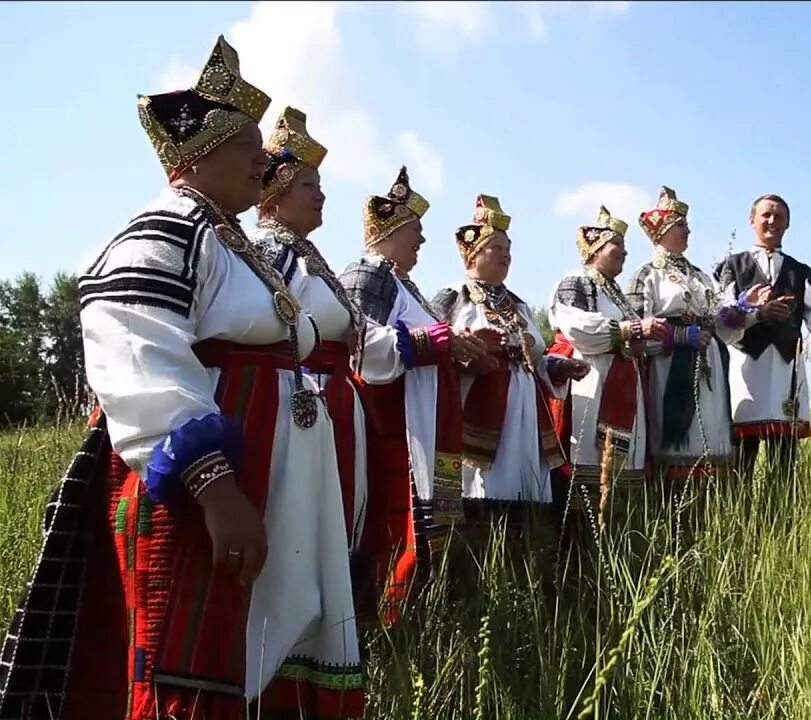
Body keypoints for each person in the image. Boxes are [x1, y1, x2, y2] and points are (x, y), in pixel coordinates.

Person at [0, 37, 365, 720]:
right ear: (199, 156)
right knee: (195, 662)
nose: (264, 160)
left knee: (254, 656)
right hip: (208, 496)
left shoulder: (227, 239)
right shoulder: (166, 227)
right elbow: (134, 343)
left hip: (267, 483)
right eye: (248, 148)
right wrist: (214, 484)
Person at [337, 166, 487, 623]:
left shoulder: (405, 285)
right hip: (394, 432)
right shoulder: (367, 275)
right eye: (416, 231)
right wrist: (439, 341)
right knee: (395, 531)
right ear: (392, 229)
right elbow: (360, 346)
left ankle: (424, 623)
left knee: (436, 533)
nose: (422, 241)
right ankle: (389, 626)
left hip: (429, 430)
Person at [248, 106, 372, 555]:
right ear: (277, 190)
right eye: (309, 186)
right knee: (303, 528)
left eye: (321, 186)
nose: (321, 197)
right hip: (299, 400)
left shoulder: (305, 254)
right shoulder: (269, 250)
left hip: (332, 398)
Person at [431, 194, 589, 542]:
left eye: (509, 248)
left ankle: (522, 563)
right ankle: (477, 564)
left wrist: (558, 367)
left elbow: (535, 358)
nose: (506, 255)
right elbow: (436, 351)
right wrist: (469, 350)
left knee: (524, 487)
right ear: (472, 253)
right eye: (496, 247)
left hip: (524, 414)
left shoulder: (517, 304)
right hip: (478, 409)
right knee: (481, 489)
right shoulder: (452, 297)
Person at [627, 187, 765, 491]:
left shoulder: (701, 276)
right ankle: (670, 505)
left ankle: (707, 505)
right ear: (662, 229)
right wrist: (678, 336)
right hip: (670, 367)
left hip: (709, 364)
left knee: (710, 434)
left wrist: (745, 309)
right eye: (681, 225)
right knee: (678, 441)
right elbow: (636, 330)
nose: (688, 230)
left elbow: (721, 320)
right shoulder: (646, 275)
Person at [714, 193, 811, 480]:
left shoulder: (799, 271)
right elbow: (719, 318)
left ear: (788, 224)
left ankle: (782, 519)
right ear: (751, 220)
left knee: (784, 463)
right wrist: (757, 314)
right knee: (741, 461)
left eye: (779, 216)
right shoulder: (731, 267)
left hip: (785, 373)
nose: (772, 221)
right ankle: (739, 519)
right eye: (766, 214)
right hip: (744, 372)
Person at [546, 206, 665, 529]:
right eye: (618, 247)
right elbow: (578, 327)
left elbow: (631, 333)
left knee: (620, 468)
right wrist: (632, 331)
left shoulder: (617, 293)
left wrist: (641, 338)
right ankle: (577, 546)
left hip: (624, 383)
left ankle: (613, 536)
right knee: (586, 458)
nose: (625, 253)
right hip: (590, 379)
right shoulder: (576, 282)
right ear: (596, 249)